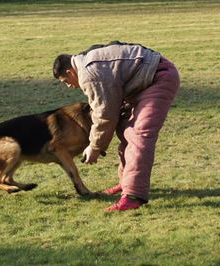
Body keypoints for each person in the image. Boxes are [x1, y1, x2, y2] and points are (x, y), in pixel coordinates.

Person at [52, 41, 180, 211]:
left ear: (70, 72)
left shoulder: (89, 74)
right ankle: (126, 182)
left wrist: (95, 147)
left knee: (139, 135)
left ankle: (134, 195)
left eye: (65, 81)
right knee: (124, 130)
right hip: (143, 79)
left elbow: (105, 114)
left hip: (158, 79)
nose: (68, 86)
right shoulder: (87, 61)